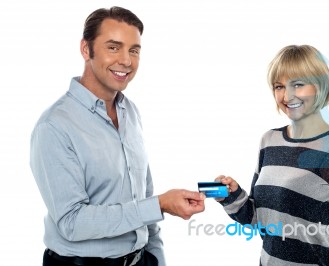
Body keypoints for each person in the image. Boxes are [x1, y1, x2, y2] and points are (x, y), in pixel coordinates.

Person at [30, 6, 205, 266]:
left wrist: (156, 256)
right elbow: (71, 222)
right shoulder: (54, 126)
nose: (126, 60)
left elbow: (142, 194)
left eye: (134, 50)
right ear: (85, 49)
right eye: (113, 47)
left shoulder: (130, 112)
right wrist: (160, 206)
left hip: (140, 259)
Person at [215, 45, 329, 265]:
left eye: (298, 84)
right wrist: (232, 197)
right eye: (279, 86)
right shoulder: (268, 141)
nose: (287, 95)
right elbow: (258, 219)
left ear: (320, 86)